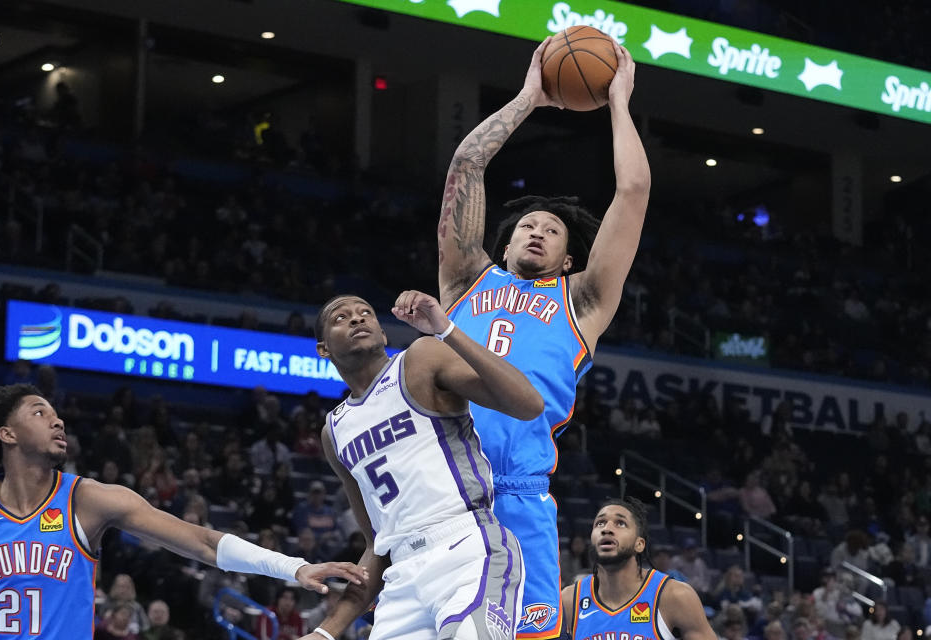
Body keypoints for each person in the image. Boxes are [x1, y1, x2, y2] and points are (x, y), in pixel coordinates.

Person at [436, 36, 650, 639]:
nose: (536, 231)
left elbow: (632, 194)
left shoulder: (581, 301)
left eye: (551, 230)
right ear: (503, 244)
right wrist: (530, 96)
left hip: (517, 496)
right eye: (526, 224)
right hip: (442, 480)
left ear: (566, 256)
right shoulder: (464, 283)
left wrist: (618, 102)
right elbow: (465, 169)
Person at [0, 383, 369, 638]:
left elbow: (203, 542)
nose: (56, 421)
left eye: (56, 414)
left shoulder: (87, 499)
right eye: (39, 413)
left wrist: (294, 568)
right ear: (7, 434)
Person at [302, 291, 543, 640]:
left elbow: (529, 405)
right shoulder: (334, 431)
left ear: (383, 335)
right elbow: (375, 546)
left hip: (466, 546)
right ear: (323, 348)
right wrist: (325, 632)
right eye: (341, 318)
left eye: (365, 312)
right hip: (401, 576)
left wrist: (446, 330)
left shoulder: (420, 358)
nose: (357, 318)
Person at [561, 498, 716, 640]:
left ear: (639, 544)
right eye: (600, 523)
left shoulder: (674, 596)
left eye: (620, 523)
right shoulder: (569, 600)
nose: (606, 529)